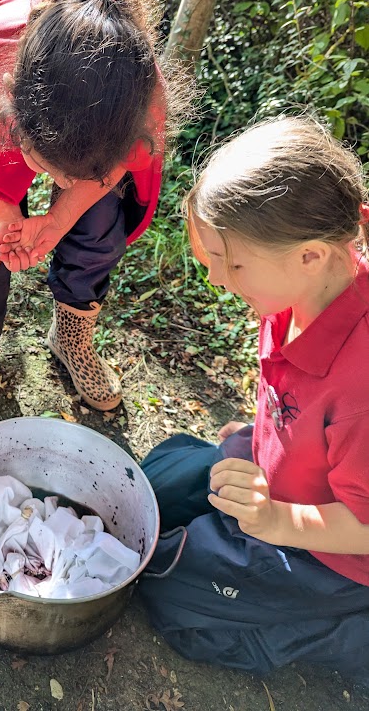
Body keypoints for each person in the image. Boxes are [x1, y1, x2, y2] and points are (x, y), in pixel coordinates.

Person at [139, 116, 369, 685]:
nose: (218, 278)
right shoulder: (297, 293)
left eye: (233, 263)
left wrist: (272, 519)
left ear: (311, 255)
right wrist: (260, 434)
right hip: (275, 482)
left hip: (330, 549)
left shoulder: (362, 387)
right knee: (150, 484)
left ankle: (345, 630)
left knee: (170, 595)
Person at [0, 0, 173, 413]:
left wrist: (59, 220)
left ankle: (71, 335)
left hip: (79, 129)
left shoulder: (141, 99)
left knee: (101, 223)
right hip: (0, 122)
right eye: (53, 170)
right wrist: (5, 213)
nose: (59, 183)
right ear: (15, 112)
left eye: (73, 177)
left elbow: (115, 168)